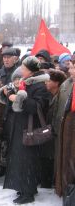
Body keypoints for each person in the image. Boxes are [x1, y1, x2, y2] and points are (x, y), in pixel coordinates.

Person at [3, 56, 50, 204]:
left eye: (23, 68)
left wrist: (16, 98)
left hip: (30, 128)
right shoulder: (28, 83)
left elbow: (36, 107)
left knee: (27, 160)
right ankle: (24, 187)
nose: (21, 70)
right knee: (20, 159)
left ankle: (28, 192)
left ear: (30, 70)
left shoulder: (40, 86)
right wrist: (9, 95)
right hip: (22, 127)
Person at [41, 69, 66, 189]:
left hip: (55, 135)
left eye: (48, 80)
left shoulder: (60, 97)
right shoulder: (50, 96)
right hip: (50, 134)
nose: (45, 82)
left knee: (50, 158)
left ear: (56, 83)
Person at [53, 60, 75, 197]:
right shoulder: (67, 84)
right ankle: (68, 192)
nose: (71, 71)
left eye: (74, 68)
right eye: (71, 68)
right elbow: (58, 109)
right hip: (67, 131)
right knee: (67, 163)